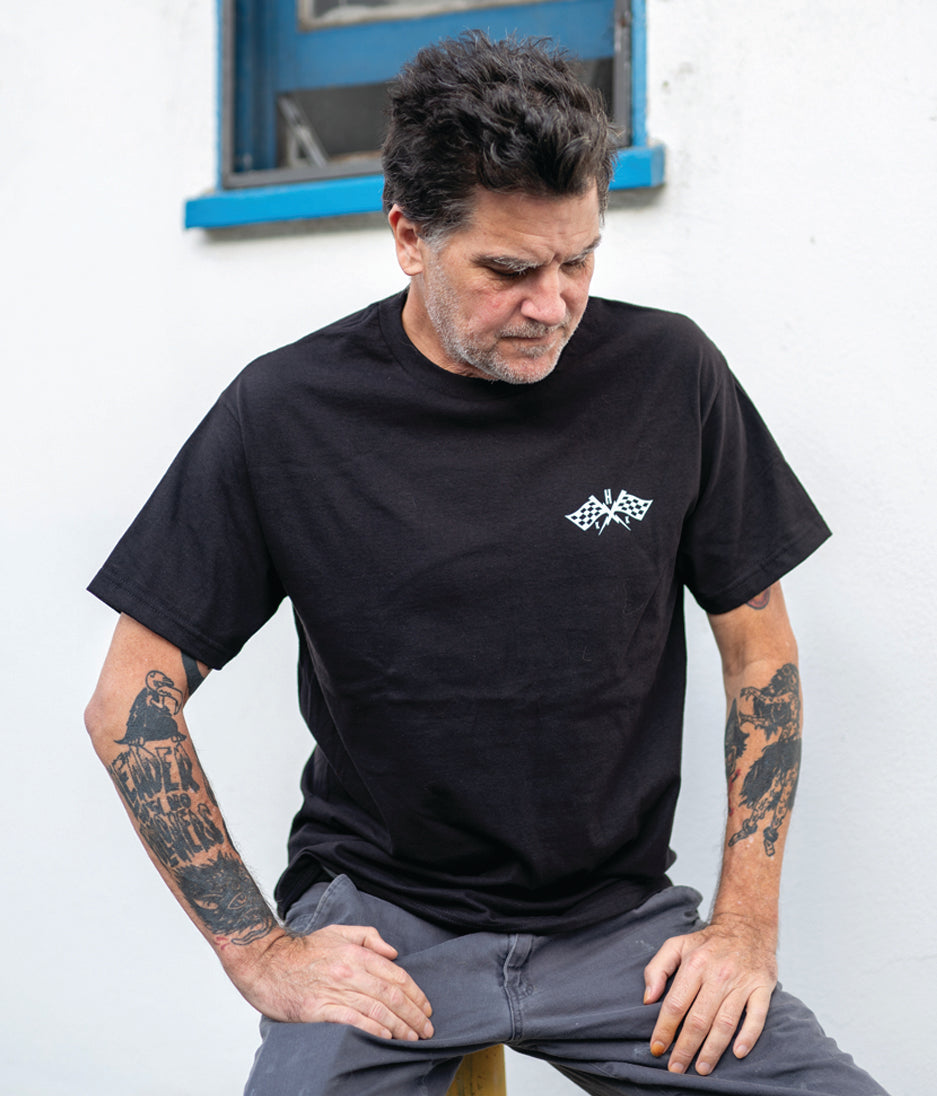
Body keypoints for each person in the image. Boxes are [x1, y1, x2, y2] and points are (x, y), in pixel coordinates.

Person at [85, 32, 888, 1096]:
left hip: (619, 930)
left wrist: (742, 924)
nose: (552, 304)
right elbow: (129, 697)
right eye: (509, 271)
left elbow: (758, 648)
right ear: (408, 237)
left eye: (578, 261)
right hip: (385, 928)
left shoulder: (669, 373)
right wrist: (258, 950)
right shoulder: (287, 411)